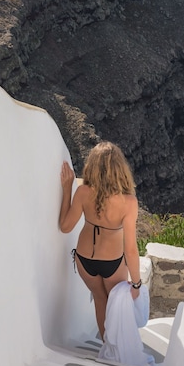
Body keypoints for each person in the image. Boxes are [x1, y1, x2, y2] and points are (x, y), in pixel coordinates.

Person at [59, 141, 141, 341]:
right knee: (116, 307)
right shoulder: (128, 202)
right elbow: (130, 249)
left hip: (84, 259)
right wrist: (137, 283)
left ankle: (107, 346)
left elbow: (65, 226)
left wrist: (67, 189)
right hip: (112, 262)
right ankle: (116, 348)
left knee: (99, 299)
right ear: (120, 168)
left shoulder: (83, 192)